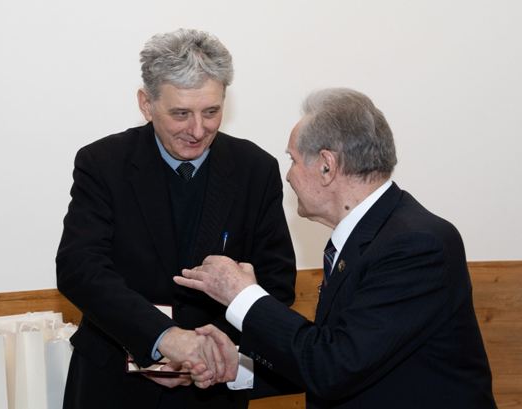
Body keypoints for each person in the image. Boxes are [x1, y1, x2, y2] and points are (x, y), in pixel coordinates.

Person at [175, 88, 497, 408]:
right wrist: (238, 368)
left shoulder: (416, 246)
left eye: (293, 160)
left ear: (327, 166)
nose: (288, 176)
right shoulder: (371, 237)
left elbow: (334, 368)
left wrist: (242, 295)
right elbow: (339, 355)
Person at [55, 28, 296, 409]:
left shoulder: (255, 169)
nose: (198, 130)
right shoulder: (102, 163)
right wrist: (163, 339)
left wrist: (209, 351)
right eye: (181, 114)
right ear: (146, 104)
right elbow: (79, 269)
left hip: (212, 387)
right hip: (113, 383)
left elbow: (276, 283)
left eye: (211, 112)